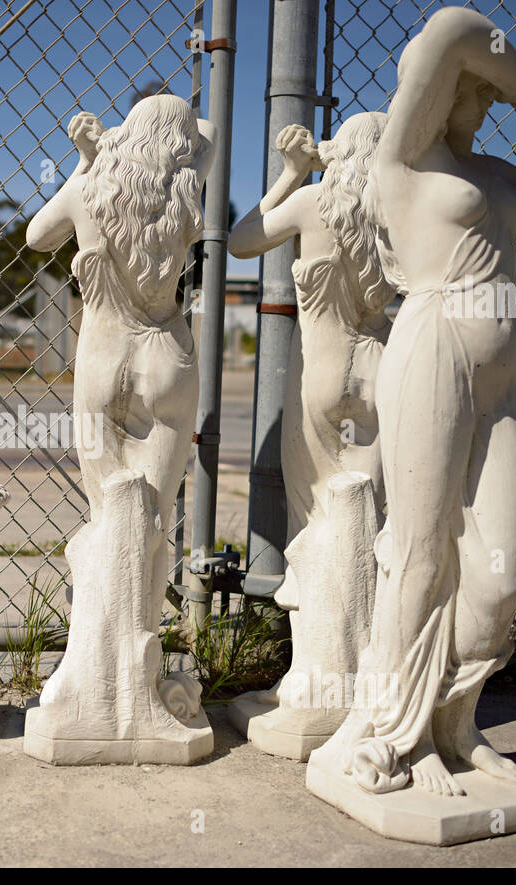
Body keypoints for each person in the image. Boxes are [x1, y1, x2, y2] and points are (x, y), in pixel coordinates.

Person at [330, 7, 516, 796]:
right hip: (432, 351)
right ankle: (395, 735)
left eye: (489, 95)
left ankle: (456, 727)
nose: (481, 100)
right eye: (475, 88)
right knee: (420, 555)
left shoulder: (497, 176)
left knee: (498, 578)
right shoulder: (405, 160)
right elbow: (456, 26)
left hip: (498, 379)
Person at [26, 94, 215, 629]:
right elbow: (211, 130)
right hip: (168, 356)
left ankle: (100, 644)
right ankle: (142, 649)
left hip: (102, 360)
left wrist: (90, 155)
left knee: (107, 514)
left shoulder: (87, 188)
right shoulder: (185, 187)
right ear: (181, 146)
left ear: (123, 134)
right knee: (155, 520)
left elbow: (36, 237)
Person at [228, 112, 394, 611]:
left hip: (322, 371)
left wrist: (293, 171)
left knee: (317, 516)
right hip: (385, 366)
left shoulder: (311, 203)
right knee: (375, 516)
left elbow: (241, 241)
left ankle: (320, 655)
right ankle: (370, 646)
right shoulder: (403, 209)